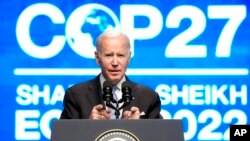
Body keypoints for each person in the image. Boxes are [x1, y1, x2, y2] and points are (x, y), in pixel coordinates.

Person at [60, 30, 162, 120]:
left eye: (120, 55)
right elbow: (63, 137)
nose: (115, 63)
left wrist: (138, 128)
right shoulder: (75, 95)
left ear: (129, 57)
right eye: (108, 55)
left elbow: (161, 137)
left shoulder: (148, 97)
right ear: (97, 58)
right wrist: (88, 126)